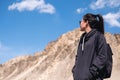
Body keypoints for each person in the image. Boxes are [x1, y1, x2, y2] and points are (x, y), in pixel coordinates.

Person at [72, 13, 107, 80]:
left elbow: (102, 57)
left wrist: (91, 73)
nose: (80, 23)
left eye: (81, 21)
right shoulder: (82, 38)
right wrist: (75, 71)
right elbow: (78, 57)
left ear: (86, 22)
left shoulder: (98, 36)